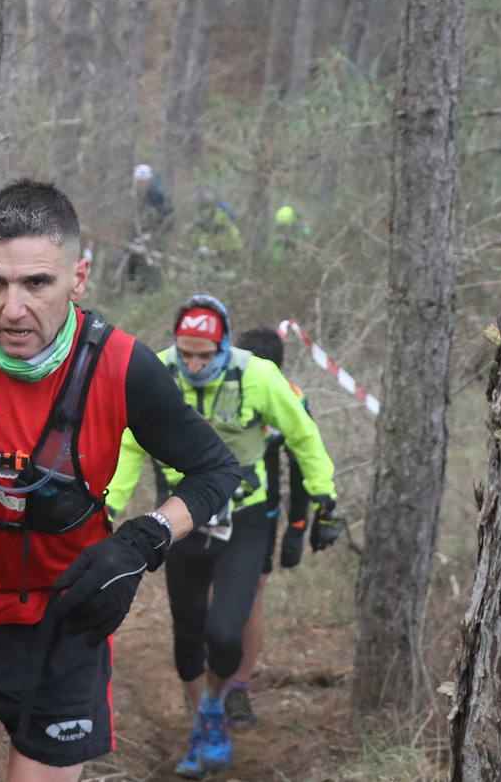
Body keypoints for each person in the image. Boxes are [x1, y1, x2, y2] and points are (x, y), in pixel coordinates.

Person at [0, 180, 241, 782]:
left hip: (63, 628)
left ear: (78, 278)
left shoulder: (121, 366)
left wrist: (142, 541)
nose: (13, 308)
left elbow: (216, 469)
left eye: (38, 283)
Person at [105, 296, 342, 779]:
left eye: (204, 355)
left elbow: (302, 432)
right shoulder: (158, 371)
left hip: (247, 518)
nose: (193, 365)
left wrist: (323, 497)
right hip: (183, 515)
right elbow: (131, 441)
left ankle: (215, 703)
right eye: (186, 353)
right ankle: (202, 724)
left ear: (224, 346)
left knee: (225, 632)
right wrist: (107, 502)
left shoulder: (256, 375)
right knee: (187, 632)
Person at [223, 326, 316, 730]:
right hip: (212, 509)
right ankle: (215, 685)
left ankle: (237, 689)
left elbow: (300, 464)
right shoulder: (216, 389)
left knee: (248, 599)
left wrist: (298, 527)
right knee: (224, 601)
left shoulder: (291, 398)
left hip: (260, 516)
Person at [185, 186, 243, 258]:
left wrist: (196, 225)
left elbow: (215, 229)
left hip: (228, 246)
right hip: (227, 245)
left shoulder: (218, 210)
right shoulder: (214, 208)